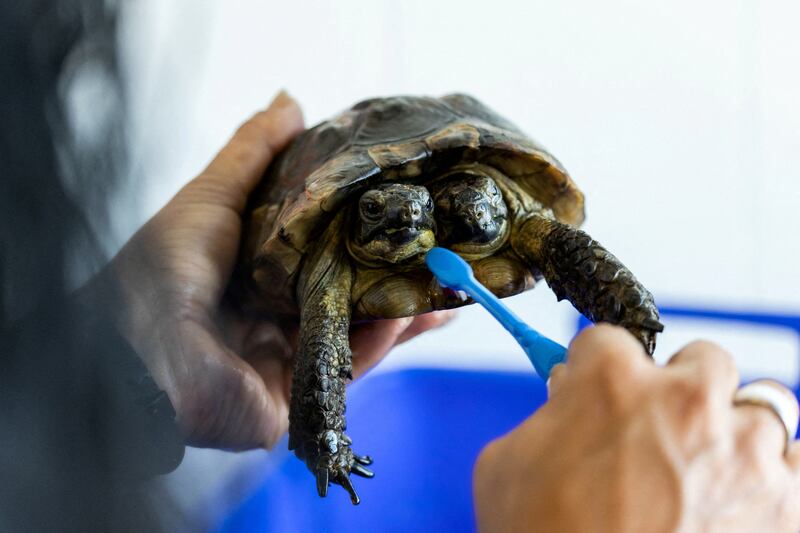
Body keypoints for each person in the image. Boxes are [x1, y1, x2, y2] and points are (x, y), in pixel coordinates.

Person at [2, 3, 798, 531]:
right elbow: (324, 336)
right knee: (329, 319)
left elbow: (553, 237)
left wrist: (622, 305)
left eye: (444, 210)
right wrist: (324, 435)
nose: (409, 228)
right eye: (384, 218)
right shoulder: (335, 263)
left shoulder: (504, 214)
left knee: (539, 237)